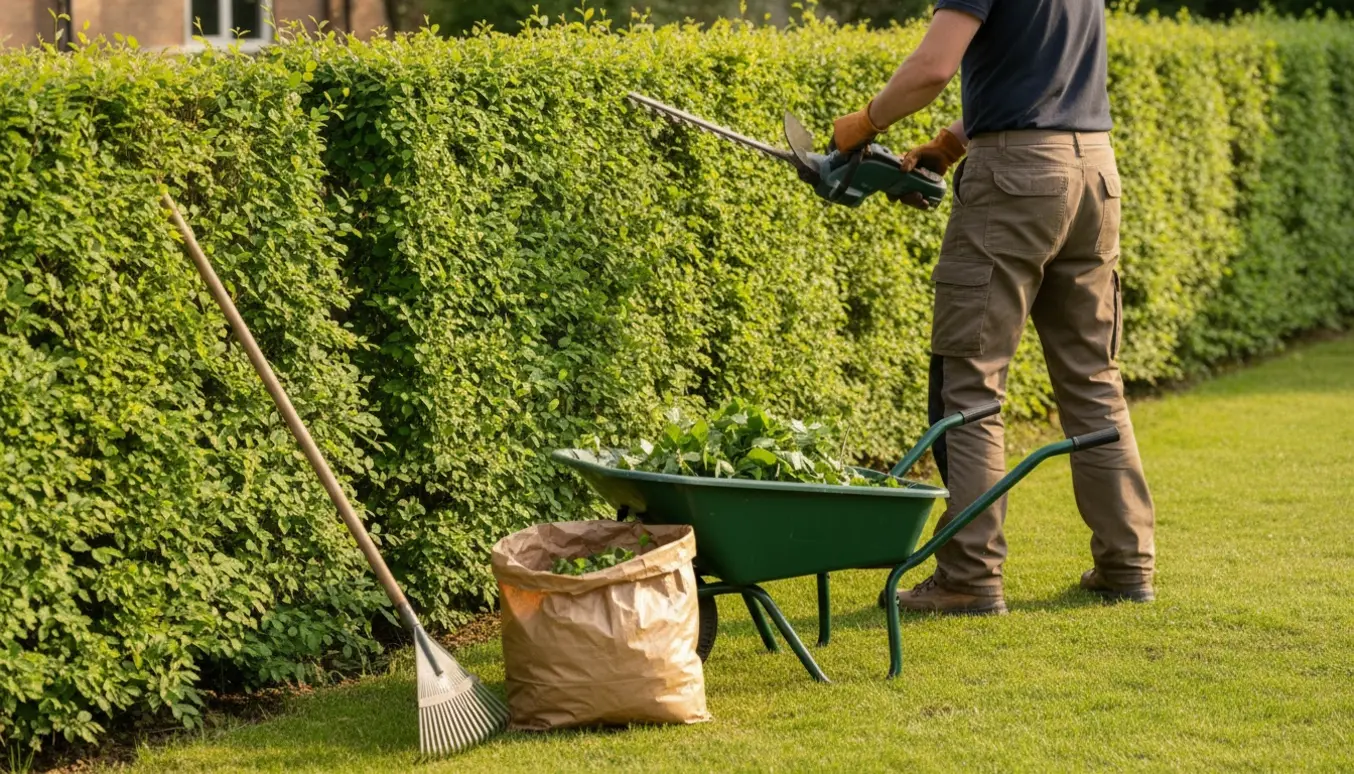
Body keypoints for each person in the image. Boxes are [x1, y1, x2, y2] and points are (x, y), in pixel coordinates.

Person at [832, 0, 1156, 614]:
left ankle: (969, 578)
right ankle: (1127, 566)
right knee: (1095, 380)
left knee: (973, 387)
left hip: (1016, 177)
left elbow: (932, 67)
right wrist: (951, 143)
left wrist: (865, 123)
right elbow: (1044, 74)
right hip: (1095, 171)